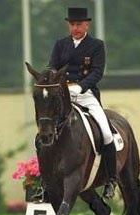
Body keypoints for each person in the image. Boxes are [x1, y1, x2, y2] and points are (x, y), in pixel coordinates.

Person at [48, 7, 117, 198]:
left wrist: (80, 87)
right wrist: (56, 83)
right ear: (68, 25)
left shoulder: (96, 45)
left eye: (79, 24)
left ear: (87, 24)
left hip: (85, 93)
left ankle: (111, 180)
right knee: (46, 129)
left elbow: (97, 72)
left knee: (106, 132)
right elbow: (52, 67)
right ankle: (47, 180)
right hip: (62, 94)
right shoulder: (60, 44)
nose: (75, 28)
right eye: (72, 24)